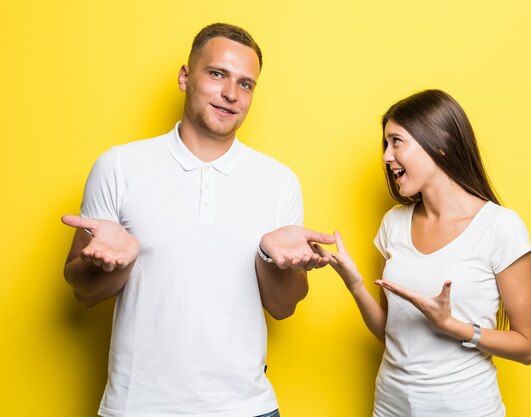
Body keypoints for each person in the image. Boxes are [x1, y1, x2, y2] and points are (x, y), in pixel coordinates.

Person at [61, 23, 334, 417]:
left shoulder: (279, 181)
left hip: (247, 408)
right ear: (185, 77)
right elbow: (83, 293)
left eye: (246, 84)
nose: (230, 94)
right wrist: (111, 262)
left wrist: (271, 259)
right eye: (217, 74)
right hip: (137, 406)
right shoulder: (119, 166)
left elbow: (282, 307)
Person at [314, 89, 531, 416]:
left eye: (396, 141)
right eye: (385, 144)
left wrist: (454, 327)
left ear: (440, 143)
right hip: (390, 406)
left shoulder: (500, 227)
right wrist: (354, 284)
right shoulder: (393, 223)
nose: (386, 157)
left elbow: (529, 346)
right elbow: (391, 331)